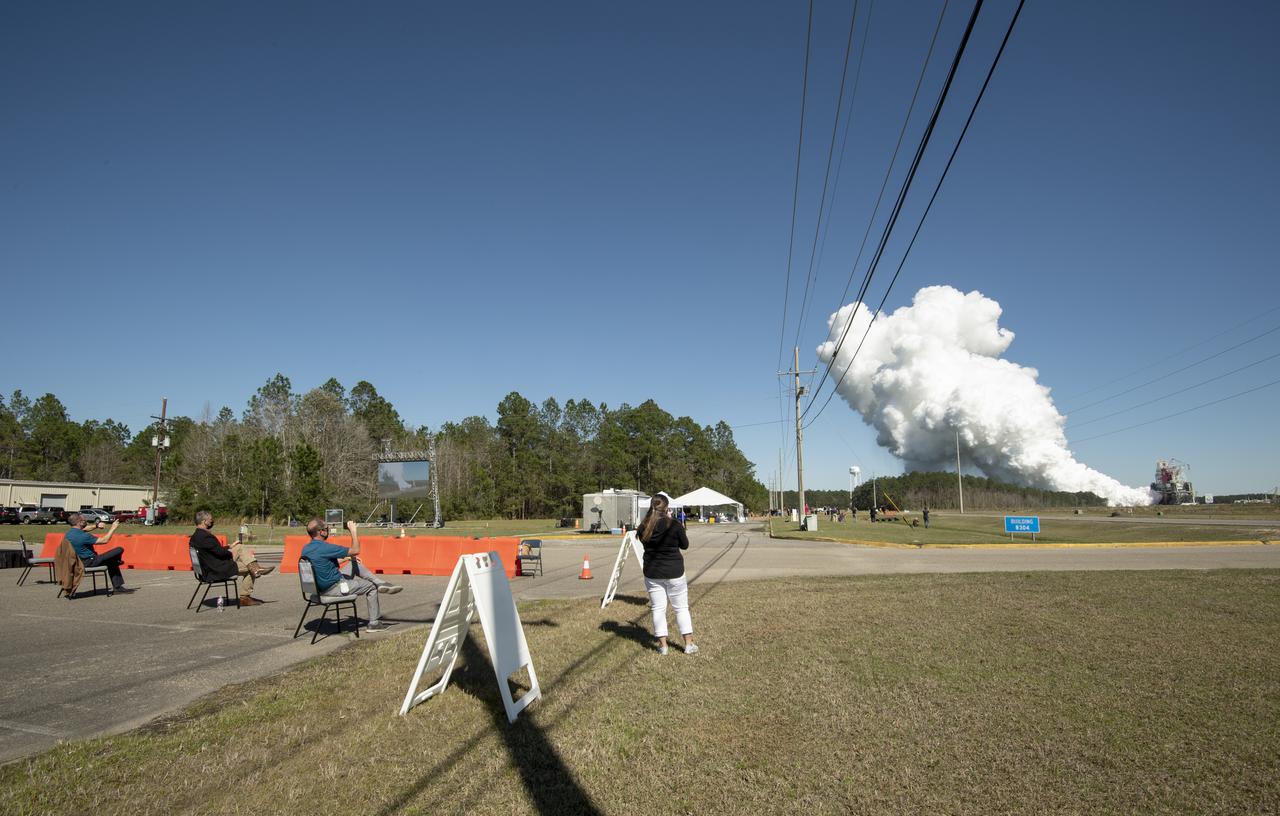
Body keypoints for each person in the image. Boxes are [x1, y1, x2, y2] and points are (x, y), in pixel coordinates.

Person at [300, 518, 402, 631]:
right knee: (371, 586)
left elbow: (322, 564)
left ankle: (381, 583)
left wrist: (346, 559)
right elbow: (356, 550)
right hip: (334, 588)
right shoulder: (325, 547)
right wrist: (353, 531)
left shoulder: (306, 549)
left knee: (353, 563)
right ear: (321, 532)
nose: (327, 530)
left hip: (320, 587)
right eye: (326, 528)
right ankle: (374, 623)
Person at [637, 491, 698, 656]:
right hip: (674, 571)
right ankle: (688, 644)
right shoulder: (675, 524)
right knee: (681, 608)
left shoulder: (643, 526)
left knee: (658, 608)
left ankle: (663, 646)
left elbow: (644, 544)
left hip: (652, 572)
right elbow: (685, 545)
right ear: (667, 508)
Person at [190, 510, 274, 607]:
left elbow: (214, 551)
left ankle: (255, 568)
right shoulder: (206, 537)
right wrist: (230, 553)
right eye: (210, 520)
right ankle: (245, 597)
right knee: (249, 568)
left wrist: (230, 547)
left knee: (239, 547)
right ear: (204, 522)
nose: (211, 522)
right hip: (216, 570)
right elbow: (221, 554)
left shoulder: (195, 536)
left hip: (209, 568)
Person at [66, 512, 130, 592]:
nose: (86, 520)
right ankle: (118, 563)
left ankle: (118, 587)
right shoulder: (84, 536)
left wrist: (97, 526)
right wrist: (113, 528)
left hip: (77, 562)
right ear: (79, 522)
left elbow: (85, 529)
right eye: (84, 520)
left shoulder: (69, 534)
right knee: (119, 549)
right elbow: (104, 540)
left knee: (112, 561)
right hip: (90, 561)